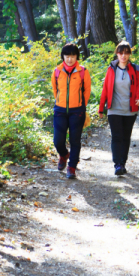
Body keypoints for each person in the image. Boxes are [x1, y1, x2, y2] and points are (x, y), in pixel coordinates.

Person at [98, 41, 139, 176]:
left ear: (129, 54)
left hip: (130, 109)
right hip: (114, 109)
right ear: (117, 54)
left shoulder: (136, 69)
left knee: (126, 136)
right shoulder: (111, 69)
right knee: (117, 136)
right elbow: (105, 89)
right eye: (120, 53)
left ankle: (123, 163)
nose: (123, 56)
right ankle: (117, 164)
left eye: (126, 53)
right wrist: (101, 108)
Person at [51, 43, 91, 179]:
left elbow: (87, 91)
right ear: (63, 56)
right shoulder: (57, 71)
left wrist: (81, 105)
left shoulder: (83, 71)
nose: (70, 59)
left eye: (73, 56)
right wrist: (60, 103)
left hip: (77, 111)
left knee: (75, 140)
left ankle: (72, 166)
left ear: (76, 57)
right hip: (60, 110)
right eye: (67, 56)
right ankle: (63, 155)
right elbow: (55, 90)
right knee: (58, 141)